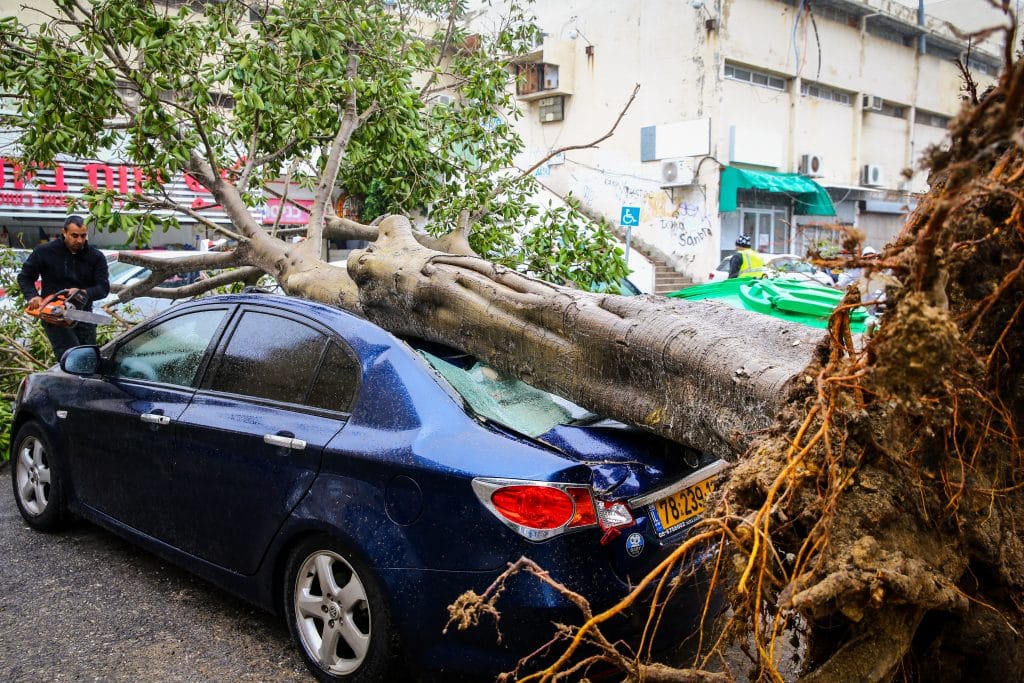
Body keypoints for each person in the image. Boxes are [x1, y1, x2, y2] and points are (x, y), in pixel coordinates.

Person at [18, 215, 110, 361]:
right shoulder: (45, 252)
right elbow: (25, 277)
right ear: (64, 232)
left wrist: (83, 292)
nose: (79, 240)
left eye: (83, 236)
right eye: (74, 236)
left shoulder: (96, 257)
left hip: (82, 315)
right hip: (55, 316)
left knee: (89, 357)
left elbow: (103, 288)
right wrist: (33, 296)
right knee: (71, 358)